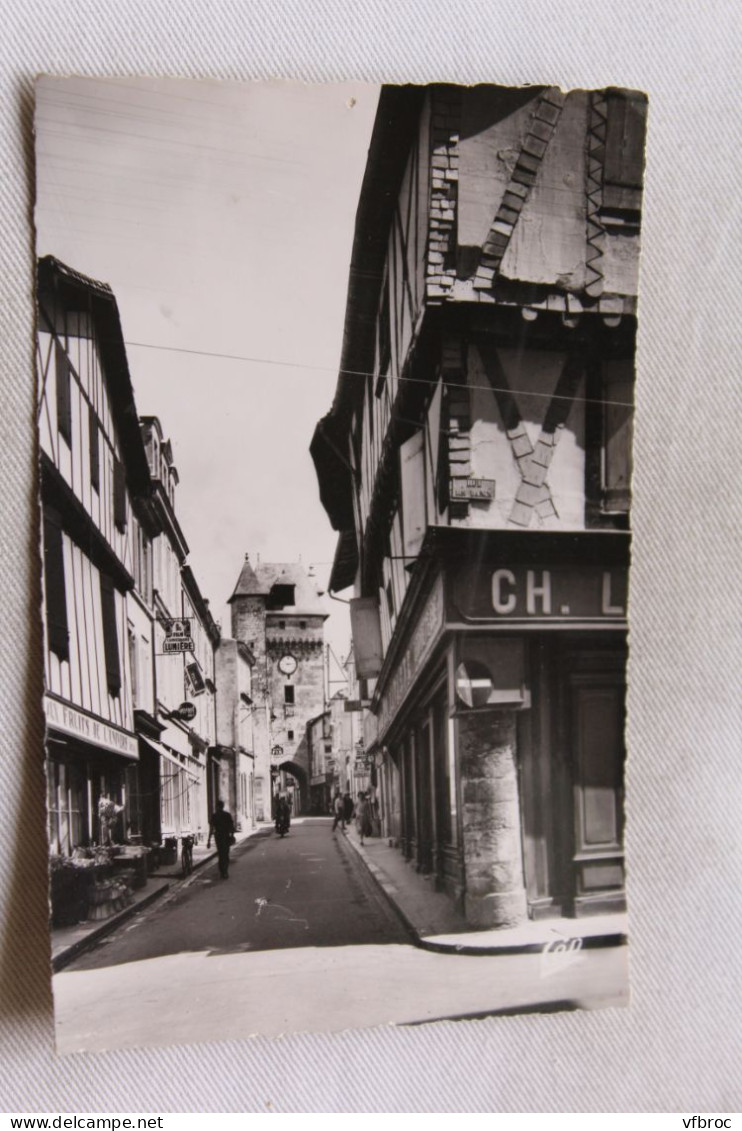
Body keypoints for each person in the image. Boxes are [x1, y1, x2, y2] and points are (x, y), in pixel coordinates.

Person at [208, 799, 235, 879]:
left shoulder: (214, 816)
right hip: (225, 836)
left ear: (217, 807)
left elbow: (211, 829)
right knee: (225, 854)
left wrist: (209, 840)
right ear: (223, 807)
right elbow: (231, 827)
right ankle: (225, 871)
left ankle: (223, 871)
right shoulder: (227, 815)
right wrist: (232, 835)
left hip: (219, 837)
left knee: (221, 854)